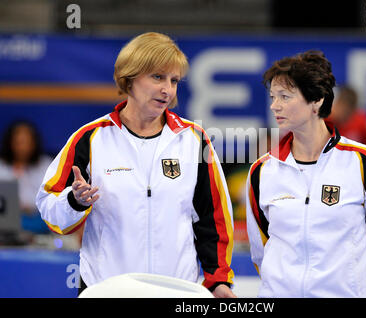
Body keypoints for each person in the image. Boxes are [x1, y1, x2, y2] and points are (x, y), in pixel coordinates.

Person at [36, 32, 236, 298]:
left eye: (174, 80)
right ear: (129, 79)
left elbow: (214, 220)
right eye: (157, 77)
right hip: (107, 291)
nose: (167, 89)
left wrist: (217, 281)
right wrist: (75, 202)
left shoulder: (194, 140)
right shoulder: (90, 139)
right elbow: (49, 209)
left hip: (176, 292)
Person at [246, 51, 366, 297]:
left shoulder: (364, 162)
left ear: (316, 100)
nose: (275, 105)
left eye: (285, 96)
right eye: (273, 96)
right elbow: (260, 249)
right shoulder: (262, 170)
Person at [0, 121, 53, 235]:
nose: (22, 147)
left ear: (34, 143)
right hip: (7, 222)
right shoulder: (2, 166)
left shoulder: (46, 165)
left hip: (39, 220)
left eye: (26, 142)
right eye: (18, 142)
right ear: (10, 143)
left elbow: (52, 199)